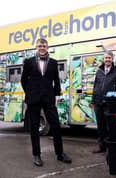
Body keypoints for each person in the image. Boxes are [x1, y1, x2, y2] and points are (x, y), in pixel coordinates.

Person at [21, 38, 71, 167]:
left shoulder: (54, 63)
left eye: (43, 45)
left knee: (55, 125)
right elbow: (23, 80)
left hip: (49, 99)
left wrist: (56, 94)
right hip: (33, 99)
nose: (41, 47)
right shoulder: (28, 62)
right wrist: (30, 93)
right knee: (34, 127)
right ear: (36, 47)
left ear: (47, 47)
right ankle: (36, 155)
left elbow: (57, 81)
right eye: (39, 46)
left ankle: (60, 154)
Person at [91, 51, 116, 153]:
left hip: (110, 103)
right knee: (100, 126)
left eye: (109, 58)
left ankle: (111, 148)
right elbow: (95, 87)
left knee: (111, 126)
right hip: (98, 103)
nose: (107, 60)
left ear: (112, 59)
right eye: (106, 58)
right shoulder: (99, 71)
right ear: (103, 59)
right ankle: (102, 147)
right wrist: (93, 101)